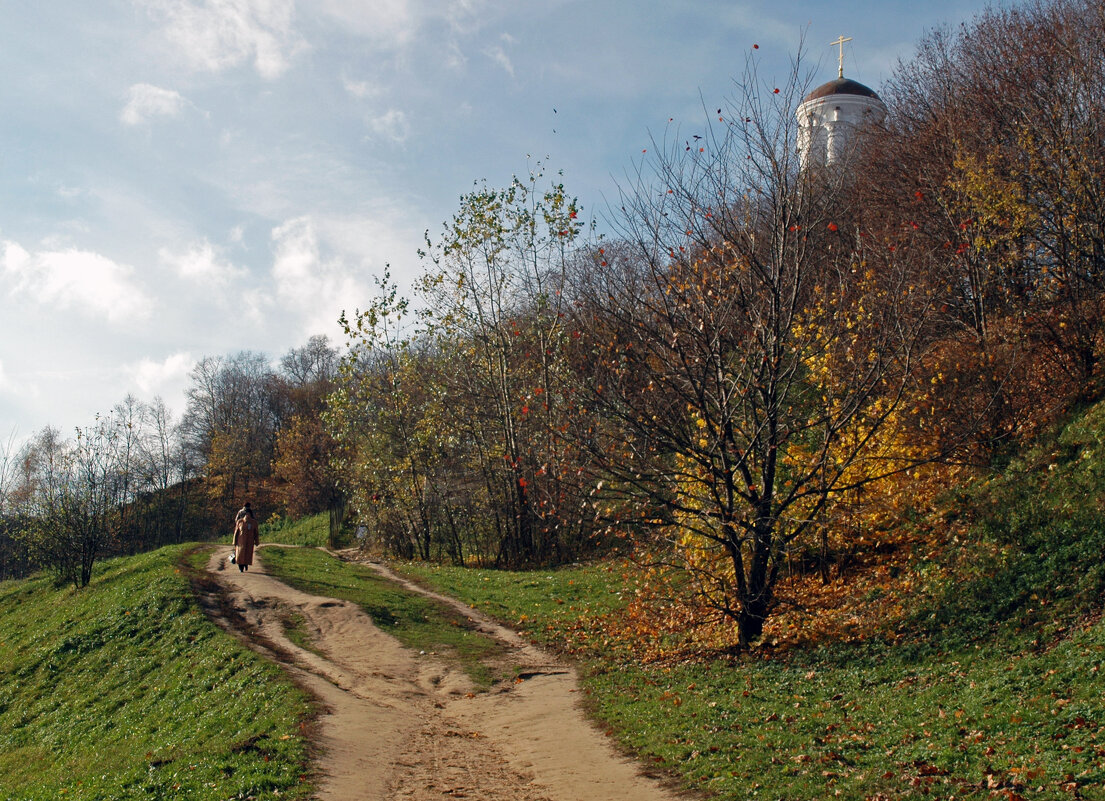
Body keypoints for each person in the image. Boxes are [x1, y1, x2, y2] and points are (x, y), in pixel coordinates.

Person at [232, 502, 259, 572]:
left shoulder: (240, 512)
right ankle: (245, 564)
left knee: (240, 552)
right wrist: (257, 541)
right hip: (248, 537)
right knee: (247, 552)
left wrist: (234, 541)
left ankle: (242, 566)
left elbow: (236, 520)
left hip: (241, 535)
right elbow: (255, 525)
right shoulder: (251, 513)